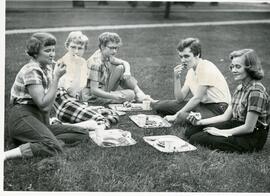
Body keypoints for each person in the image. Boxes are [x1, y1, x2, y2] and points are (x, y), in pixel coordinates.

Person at [5, 32, 90, 160]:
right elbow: (43, 105)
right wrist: (56, 78)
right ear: (35, 53)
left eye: (53, 50)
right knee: (53, 147)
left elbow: (46, 108)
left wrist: (46, 126)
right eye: (47, 51)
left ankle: (37, 141)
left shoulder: (47, 68)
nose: (52, 54)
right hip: (22, 116)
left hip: (36, 116)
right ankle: (6, 155)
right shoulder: (31, 70)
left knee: (82, 134)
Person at [187, 49, 269, 153]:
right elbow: (225, 116)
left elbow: (249, 127)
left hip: (252, 137)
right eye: (232, 66)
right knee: (192, 131)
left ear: (250, 68)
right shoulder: (240, 88)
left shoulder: (256, 92)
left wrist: (222, 132)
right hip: (237, 124)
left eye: (238, 67)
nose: (233, 70)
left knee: (197, 139)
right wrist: (200, 122)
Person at [151, 38, 231, 126]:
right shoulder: (191, 71)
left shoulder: (205, 67)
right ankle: (186, 114)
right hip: (201, 105)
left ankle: (188, 117)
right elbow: (180, 98)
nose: (183, 60)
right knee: (159, 106)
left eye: (186, 56)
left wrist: (176, 115)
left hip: (217, 108)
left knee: (181, 117)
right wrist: (176, 78)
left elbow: (197, 98)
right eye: (181, 56)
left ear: (197, 55)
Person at [53, 31, 117, 128]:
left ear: (84, 49)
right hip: (63, 101)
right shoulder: (62, 63)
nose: (76, 51)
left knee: (111, 114)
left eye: (80, 48)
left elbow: (80, 88)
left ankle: (63, 124)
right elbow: (71, 91)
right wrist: (78, 68)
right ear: (67, 46)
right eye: (73, 47)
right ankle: (62, 126)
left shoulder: (82, 62)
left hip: (75, 100)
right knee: (103, 122)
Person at [86, 32, 152, 105]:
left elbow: (125, 63)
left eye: (116, 48)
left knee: (121, 68)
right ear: (102, 46)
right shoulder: (95, 63)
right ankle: (138, 96)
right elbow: (94, 90)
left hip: (103, 87)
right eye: (111, 48)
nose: (114, 51)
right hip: (93, 96)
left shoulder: (105, 54)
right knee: (131, 94)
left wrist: (127, 72)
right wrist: (114, 96)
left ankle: (140, 93)